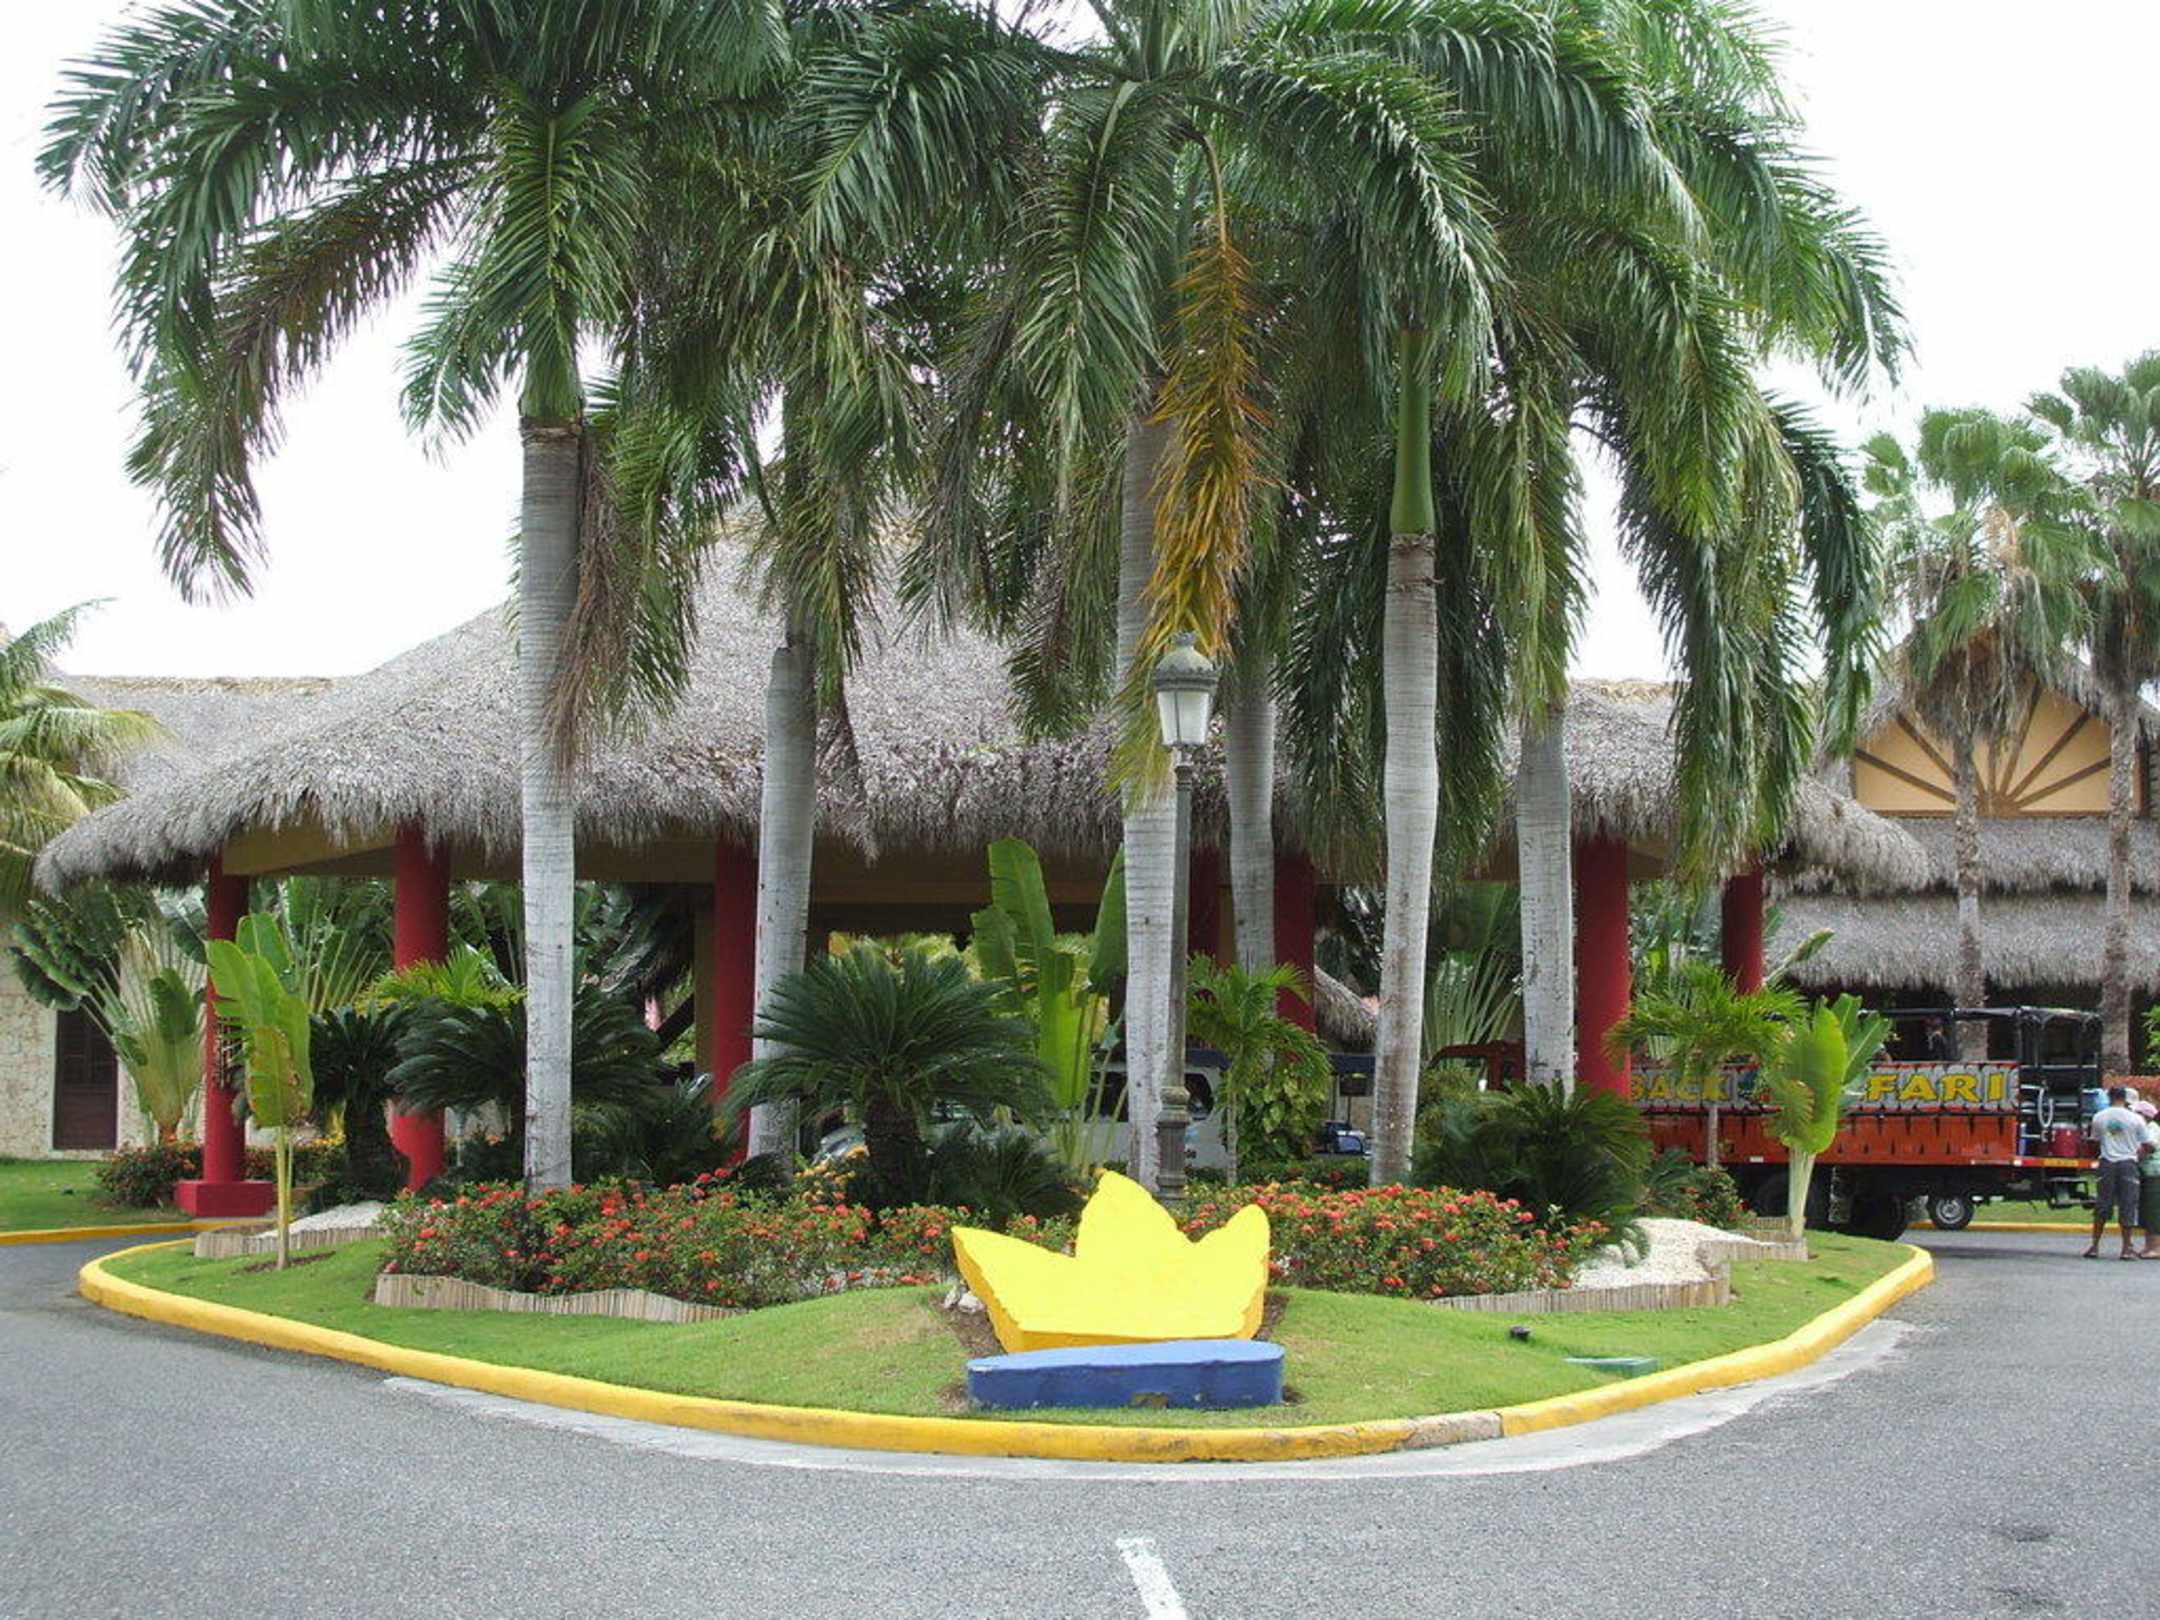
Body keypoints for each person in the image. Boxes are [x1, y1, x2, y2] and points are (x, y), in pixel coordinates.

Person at [2084, 1085, 2149, 1260]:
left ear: (2110, 1097)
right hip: (2128, 1163)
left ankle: (2094, 1246)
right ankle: (2126, 1248)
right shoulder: (2135, 1118)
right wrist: (2139, 1154)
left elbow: (2094, 1141)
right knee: (2128, 1204)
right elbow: (2147, 1144)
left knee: (2102, 1204)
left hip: (2107, 1162)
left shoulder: (2099, 1117)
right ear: (2125, 1098)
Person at [2136, 1101, 2160, 1261]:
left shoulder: (2152, 1128)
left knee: (2153, 1211)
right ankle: (2148, 1246)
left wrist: (2135, 1154)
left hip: (2154, 1173)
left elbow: (2149, 1147)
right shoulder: (2146, 1129)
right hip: (2147, 1173)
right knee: (2146, 1210)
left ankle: (2156, 1247)